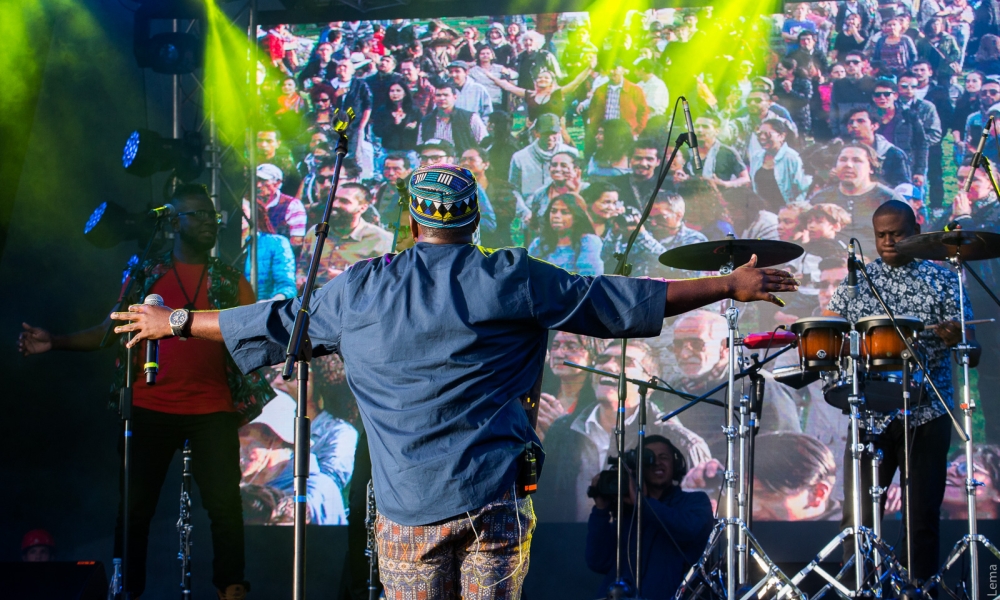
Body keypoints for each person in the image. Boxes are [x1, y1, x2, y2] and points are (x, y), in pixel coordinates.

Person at [109, 163, 798, 600]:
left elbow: (274, 320)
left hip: (407, 510)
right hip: (495, 502)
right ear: (473, 222)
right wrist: (728, 284)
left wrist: (174, 323)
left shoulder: (361, 290)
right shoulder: (511, 277)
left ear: (410, 222)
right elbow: (622, 303)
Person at [19, 184, 273, 600]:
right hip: (149, 405)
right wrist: (55, 341)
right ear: (175, 222)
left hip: (212, 409)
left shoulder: (230, 280)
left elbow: (250, 336)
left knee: (225, 509)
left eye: (213, 216)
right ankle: (126, 591)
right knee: (134, 512)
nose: (210, 223)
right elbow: (109, 331)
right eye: (200, 215)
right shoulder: (147, 274)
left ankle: (232, 589)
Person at [823, 200, 979, 584]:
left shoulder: (943, 279)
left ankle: (918, 591)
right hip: (870, 417)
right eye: (881, 235)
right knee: (858, 520)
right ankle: (860, 589)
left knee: (921, 519)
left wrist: (959, 337)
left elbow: (973, 353)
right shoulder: (856, 283)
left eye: (898, 233)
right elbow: (832, 344)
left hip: (927, 414)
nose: (889, 241)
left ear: (917, 228)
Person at [536, 339, 713, 523]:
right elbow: (545, 502)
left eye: (625, 362)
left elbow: (698, 520)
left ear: (649, 381)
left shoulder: (683, 443)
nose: (609, 366)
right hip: (571, 547)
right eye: (603, 359)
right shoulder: (562, 430)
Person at [585, 435, 714, 599]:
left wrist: (642, 503)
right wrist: (601, 510)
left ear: (676, 464)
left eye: (663, 457)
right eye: (648, 458)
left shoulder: (695, 501)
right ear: (639, 467)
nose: (656, 462)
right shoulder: (627, 514)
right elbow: (598, 561)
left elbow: (688, 529)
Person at [668, 310, 801, 457]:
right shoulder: (674, 389)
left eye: (697, 344)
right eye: (678, 345)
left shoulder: (761, 387)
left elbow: (789, 450)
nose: (684, 354)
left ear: (725, 346)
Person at [295, 183, 393, 288]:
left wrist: (350, 279)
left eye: (344, 201)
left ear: (362, 208)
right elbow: (303, 266)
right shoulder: (316, 232)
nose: (335, 204)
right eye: (334, 199)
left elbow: (388, 281)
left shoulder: (381, 239)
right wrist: (300, 278)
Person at [807, 142, 903, 250]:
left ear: (871, 167)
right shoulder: (821, 199)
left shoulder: (889, 200)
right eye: (843, 160)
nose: (848, 165)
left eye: (857, 160)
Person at [527, 193, 604, 276]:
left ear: (576, 218)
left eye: (564, 212)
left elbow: (589, 278)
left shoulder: (588, 242)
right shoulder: (539, 243)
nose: (556, 216)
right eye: (553, 211)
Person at [870, 77, 929, 187]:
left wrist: (919, 171)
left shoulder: (909, 116)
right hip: (877, 168)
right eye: (878, 95)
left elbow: (922, 144)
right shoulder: (868, 119)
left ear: (895, 96)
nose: (882, 98)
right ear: (873, 97)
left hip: (905, 167)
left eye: (887, 94)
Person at [508, 114, 579, 198]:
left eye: (554, 133)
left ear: (559, 132)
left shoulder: (571, 154)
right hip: (530, 207)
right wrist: (524, 211)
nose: (550, 137)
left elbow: (576, 185)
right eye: (546, 134)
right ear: (536, 133)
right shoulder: (519, 158)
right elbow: (513, 189)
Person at [749, 118, 811, 211]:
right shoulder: (756, 157)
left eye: (767, 134)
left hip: (787, 211)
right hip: (764, 212)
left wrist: (794, 211)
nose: (762, 137)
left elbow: (802, 189)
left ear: (781, 136)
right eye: (759, 134)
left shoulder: (792, 158)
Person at [842, 106, 912, 188]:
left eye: (860, 121)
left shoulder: (893, 154)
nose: (854, 125)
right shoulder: (844, 153)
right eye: (850, 122)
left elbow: (903, 186)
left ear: (874, 126)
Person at [242, 200, 297, 303]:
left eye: (242, 211)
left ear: (252, 214)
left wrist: (271, 302)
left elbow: (287, 286)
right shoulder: (217, 246)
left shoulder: (276, 243)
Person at [584, 58, 650, 139]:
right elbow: (592, 110)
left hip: (626, 134)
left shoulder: (635, 90)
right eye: (609, 69)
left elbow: (643, 111)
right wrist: (596, 128)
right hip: (605, 133)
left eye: (615, 68)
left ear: (623, 70)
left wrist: (636, 131)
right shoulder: (600, 90)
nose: (612, 71)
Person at [417, 82, 488, 155]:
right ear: (434, 98)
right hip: (434, 164)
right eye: (438, 95)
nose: (442, 98)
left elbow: (484, 143)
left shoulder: (470, 118)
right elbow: (420, 147)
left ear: (455, 97)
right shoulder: (426, 121)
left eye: (446, 95)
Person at [256, 163, 307, 250]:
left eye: (263, 181)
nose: (258, 185)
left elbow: (296, 242)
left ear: (277, 183)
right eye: (256, 180)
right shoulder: (248, 203)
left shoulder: (293, 206)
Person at [830, 51, 876, 137]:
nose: (851, 65)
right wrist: (835, 131)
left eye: (855, 62)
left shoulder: (872, 83)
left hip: (866, 132)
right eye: (848, 63)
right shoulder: (838, 84)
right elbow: (834, 108)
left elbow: (876, 109)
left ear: (863, 63)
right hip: (844, 132)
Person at [371, 82, 421, 153]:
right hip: (388, 150)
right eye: (392, 91)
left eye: (398, 91)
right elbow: (377, 131)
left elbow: (421, 128)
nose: (395, 93)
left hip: (409, 150)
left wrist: (414, 127)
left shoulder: (414, 110)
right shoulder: (382, 110)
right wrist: (394, 124)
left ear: (405, 93)